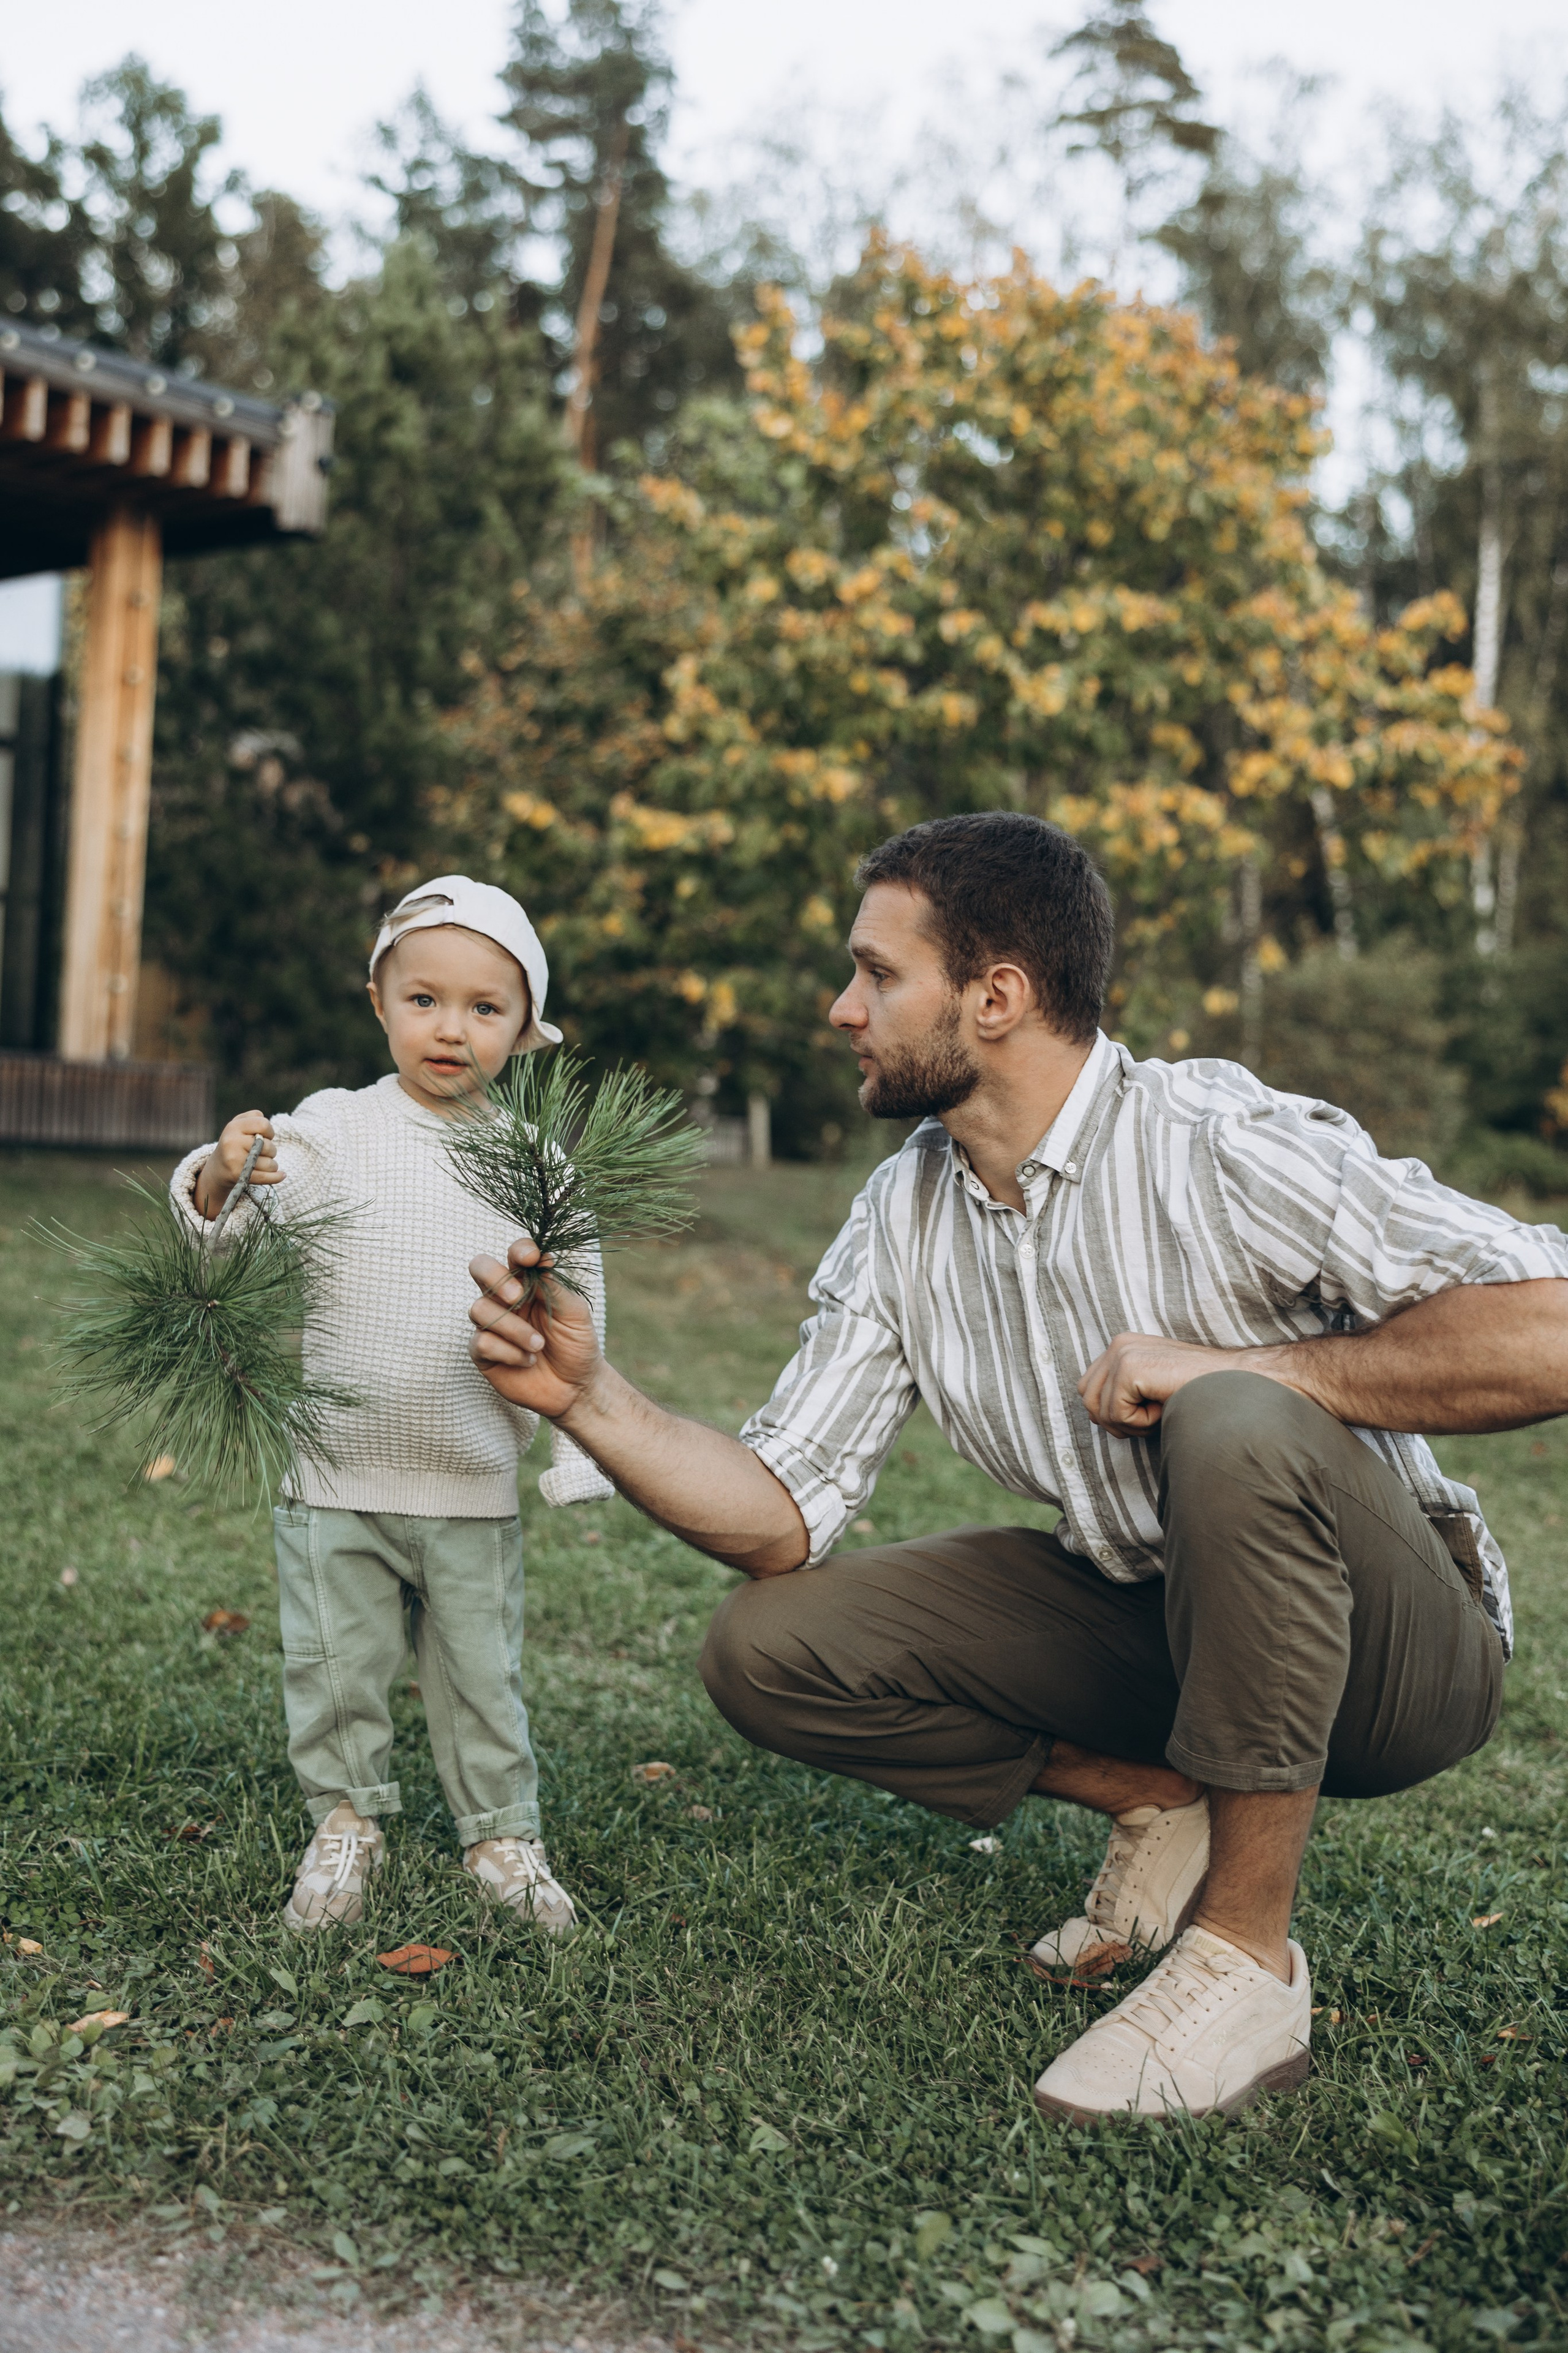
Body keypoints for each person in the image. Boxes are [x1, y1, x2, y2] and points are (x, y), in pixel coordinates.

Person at [464, 813, 1568, 2121]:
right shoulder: (903, 1210)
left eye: (876, 974)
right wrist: (589, 1396)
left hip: (1394, 1662)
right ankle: (1164, 1801)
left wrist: (1256, 1373)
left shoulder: (1216, 1140)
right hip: (1155, 1613)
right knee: (768, 1644)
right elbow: (778, 1515)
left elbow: (1545, 1321)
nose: (840, 1007)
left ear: (994, 996)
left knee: (1232, 1417)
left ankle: (1243, 1961)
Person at [171, 875, 611, 1938]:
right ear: (380, 1000)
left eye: (485, 1007)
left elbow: (575, 1307)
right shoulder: (331, 1130)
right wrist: (223, 1176)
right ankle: (345, 1818)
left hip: (468, 1473)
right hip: (336, 1473)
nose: (450, 1028)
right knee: (334, 1665)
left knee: (479, 1673)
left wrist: (577, 1448)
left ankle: (501, 1831)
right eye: (425, 999)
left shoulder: (533, 1163)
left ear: (526, 1029)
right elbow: (233, 1242)